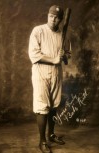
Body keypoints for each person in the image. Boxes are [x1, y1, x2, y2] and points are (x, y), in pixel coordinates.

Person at [28, 5, 69, 153]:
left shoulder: (62, 35)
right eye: (52, 16)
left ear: (61, 19)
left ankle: (51, 135)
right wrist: (54, 59)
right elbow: (34, 55)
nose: (54, 19)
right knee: (42, 106)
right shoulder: (38, 31)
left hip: (56, 73)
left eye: (57, 17)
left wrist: (64, 57)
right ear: (48, 16)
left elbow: (64, 59)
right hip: (41, 74)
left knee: (54, 105)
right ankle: (42, 141)